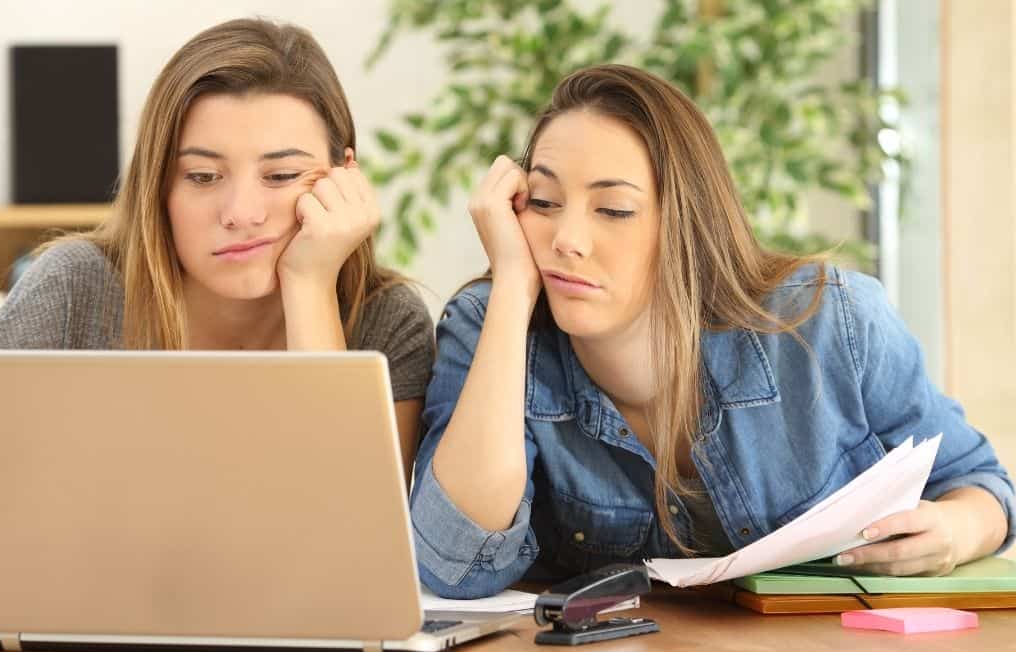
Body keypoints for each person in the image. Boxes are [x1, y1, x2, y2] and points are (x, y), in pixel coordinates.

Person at [411, 64, 1014, 599]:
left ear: (687, 224)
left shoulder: (836, 322)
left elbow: (982, 485)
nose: (566, 239)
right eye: (542, 201)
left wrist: (957, 531)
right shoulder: (489, 328)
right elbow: (458, 565)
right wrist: (514, 287)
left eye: (613, 210)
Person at [0, 18, 434, 584]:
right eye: (202, 176)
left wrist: (310, 284)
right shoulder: (76, 289)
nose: (241, 211)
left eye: (282, 174)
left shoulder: (386, 321)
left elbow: (343, 563)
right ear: (158, 188)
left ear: (345, 178)